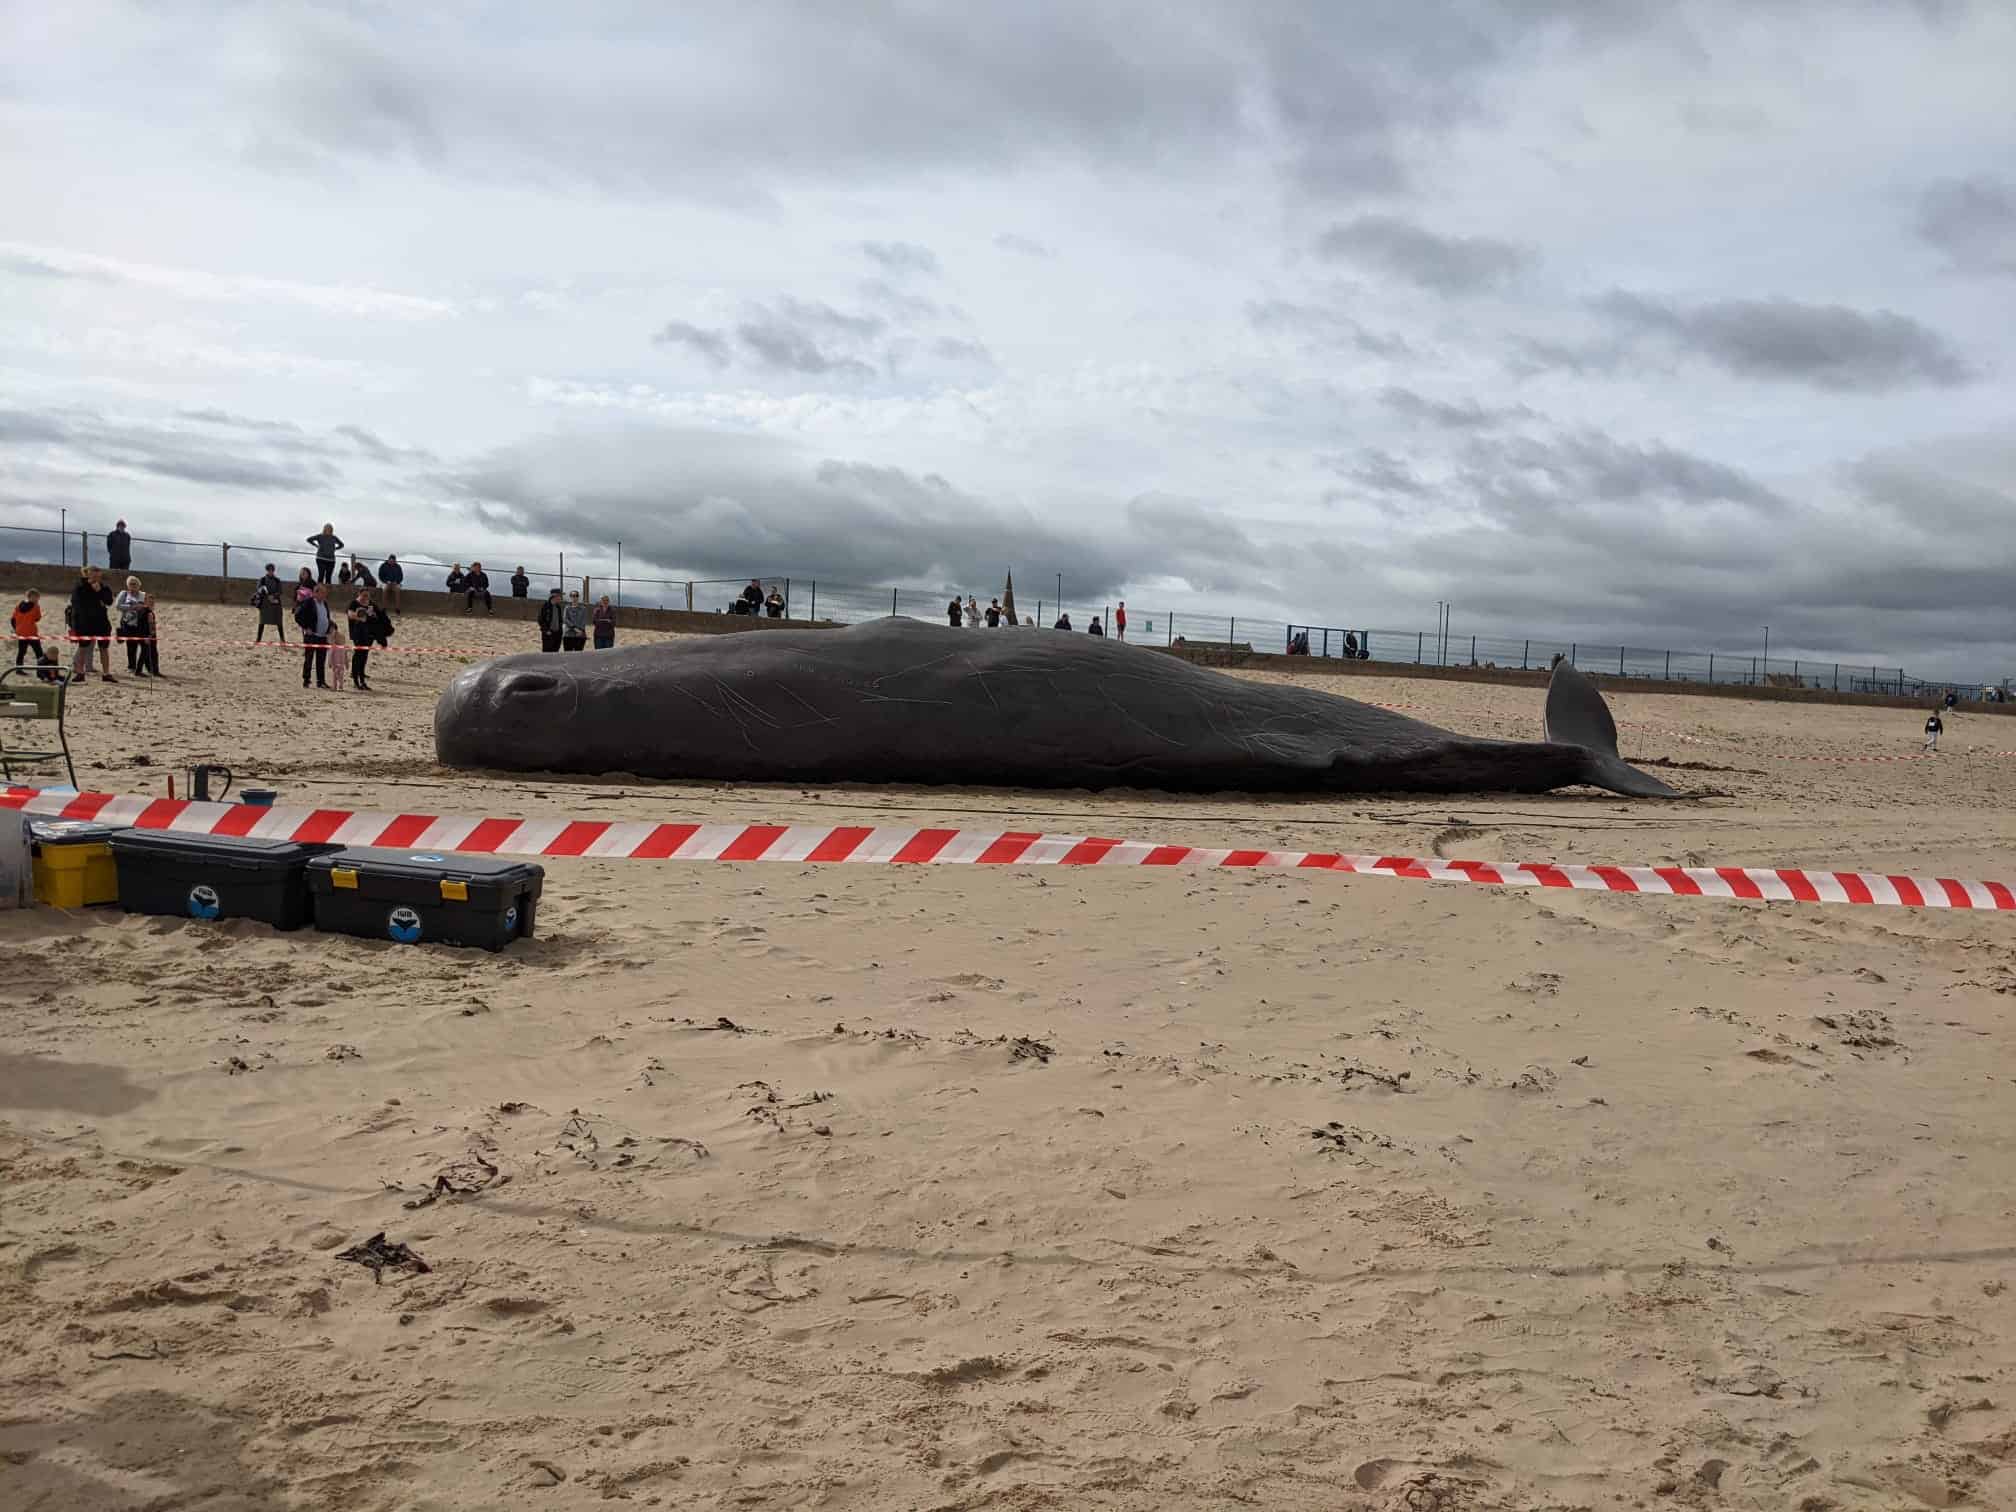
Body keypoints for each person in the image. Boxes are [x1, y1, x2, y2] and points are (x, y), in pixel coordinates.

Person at [69, 566, 115, 682]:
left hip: (101, 622)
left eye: (98, 575)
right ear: (87, 574)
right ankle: (80, 672)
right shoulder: (80, 587)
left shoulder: (103, 587)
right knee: (83, 647)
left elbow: (109, 601)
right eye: (93, 574)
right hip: (85, 623)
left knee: (104, 648)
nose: (95, 577)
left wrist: (99, 591)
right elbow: (76, 603)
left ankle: (106, 673)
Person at [346, 590, 389, 691]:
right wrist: (360, 617)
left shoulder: (371, 604)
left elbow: (379, 617)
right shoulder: (354, 603)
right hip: (357, 633)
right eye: (364, 595)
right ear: (359, 594)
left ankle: (362, 680)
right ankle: (356, 680)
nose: (365, 597)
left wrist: (374, 616)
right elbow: (350, 614)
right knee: (358, 655)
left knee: (364, 656)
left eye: (367, 596)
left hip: (369, 634)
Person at [296, 583, 333, 688]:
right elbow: (298, 616)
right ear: (316, 592)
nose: (325, 595)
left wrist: (330, 626)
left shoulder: (325, 604)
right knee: (309, 658)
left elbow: (326, 617)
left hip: (323, 635)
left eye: (325, 593)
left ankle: (320, 681)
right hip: (312, 636)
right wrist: (306, 628)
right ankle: (306, 680)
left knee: (321, 659)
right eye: (323, 593)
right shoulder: (308, 602)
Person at [114, 576, 147, 674]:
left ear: (139, 585)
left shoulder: (143, 595)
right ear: (128, 585)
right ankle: (131, 666)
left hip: (140, 624)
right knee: (131, 646)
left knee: (144, 646)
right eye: (131, 584)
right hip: (128, 623)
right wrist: (131, 607)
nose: (133, 586)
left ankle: (142, 667)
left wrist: (142, 607)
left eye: (135, 584)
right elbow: (118, 606)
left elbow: (149, 606)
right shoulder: (124, 594)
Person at [252, 564, 287, 643]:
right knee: (262, 621)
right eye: (269, 570)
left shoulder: (277, 580)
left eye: (272, 570)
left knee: (278, 621)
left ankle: (282, 639)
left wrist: (273, 596)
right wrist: (265, 593)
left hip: (275, 604)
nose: (270, 571)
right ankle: (258, 639)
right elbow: (259, 589)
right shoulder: (262, 579)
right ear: (267, 570)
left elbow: (280, 591)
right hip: (265, 604)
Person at [11, 588, 42, 669]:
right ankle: (42, 669)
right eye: (37, 597)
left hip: (21, 632)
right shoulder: (36, 606)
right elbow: (37, 618)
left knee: (21, 652)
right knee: (39, 652)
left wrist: (16, 629)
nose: (38, 599)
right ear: (32, 597)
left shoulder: (18, 605)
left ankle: (19, 669)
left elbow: (13, 619)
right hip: (31, 632)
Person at [137, 594, 161, 678]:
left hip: (152, 636)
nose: (151, 603)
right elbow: (142, 626)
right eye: (149, 601)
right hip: (145, 636)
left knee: (153, 653)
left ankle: (155, 671)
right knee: (144, 653)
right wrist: (146, 636)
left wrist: (153, 635)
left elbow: (152, 625)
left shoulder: (151, 612)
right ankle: (138, 671)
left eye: (152, 601)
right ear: (145, 602)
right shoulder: (143, 612)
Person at [537, 588, 566, 653]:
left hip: (557, 634)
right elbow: (540, 620)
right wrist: (546, 630)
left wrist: (560, 631)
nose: (561, 597)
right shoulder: (545, 606)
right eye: (560, 596)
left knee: (555, 653)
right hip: (548, 635)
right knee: (547, 653)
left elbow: (560, 620)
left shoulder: (558, 607)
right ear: (554, 596)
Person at [327, 608, 349, 690]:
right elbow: (330, 655)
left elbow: (346, 655)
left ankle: (339, 686)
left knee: (339, 674)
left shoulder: (341, 647)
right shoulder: (334, 646)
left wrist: (347, 663)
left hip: (340, 664)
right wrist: (329, 662)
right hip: (336, 664)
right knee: (336, 675)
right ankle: (337, 686)